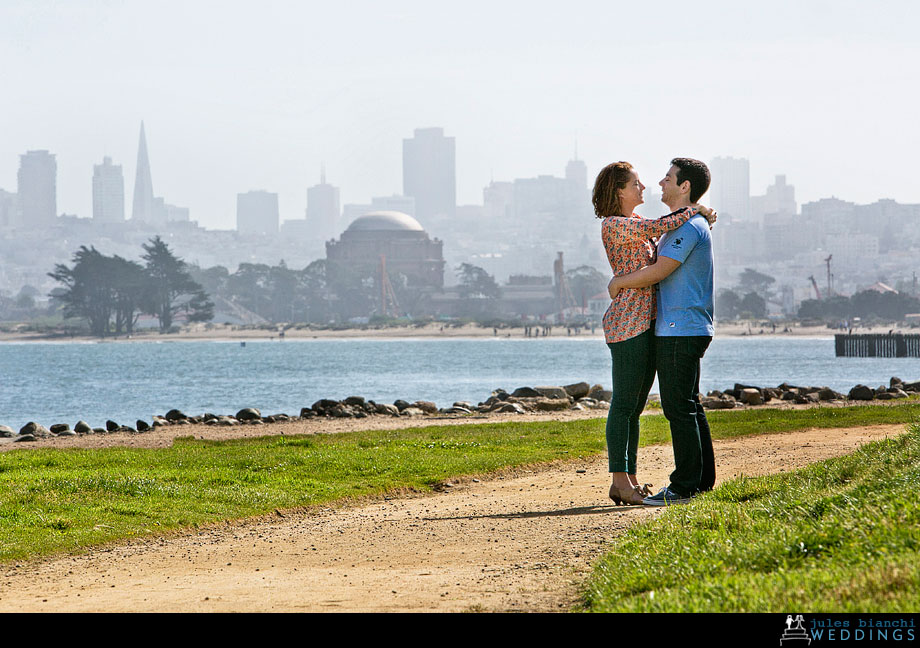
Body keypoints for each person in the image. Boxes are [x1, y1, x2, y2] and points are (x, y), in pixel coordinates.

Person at [594, 161, 714, 505]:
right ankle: (621, 480)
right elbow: (662, 226)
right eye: (635, 183)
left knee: (635, 406)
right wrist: (698, 210)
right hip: (629, 322)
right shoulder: (616, 225)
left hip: (649, 323)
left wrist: (696, 211)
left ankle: (629, 480)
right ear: (619, 191)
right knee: (625, 405)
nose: (644, 187)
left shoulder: (636, 225)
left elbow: (662, 232)